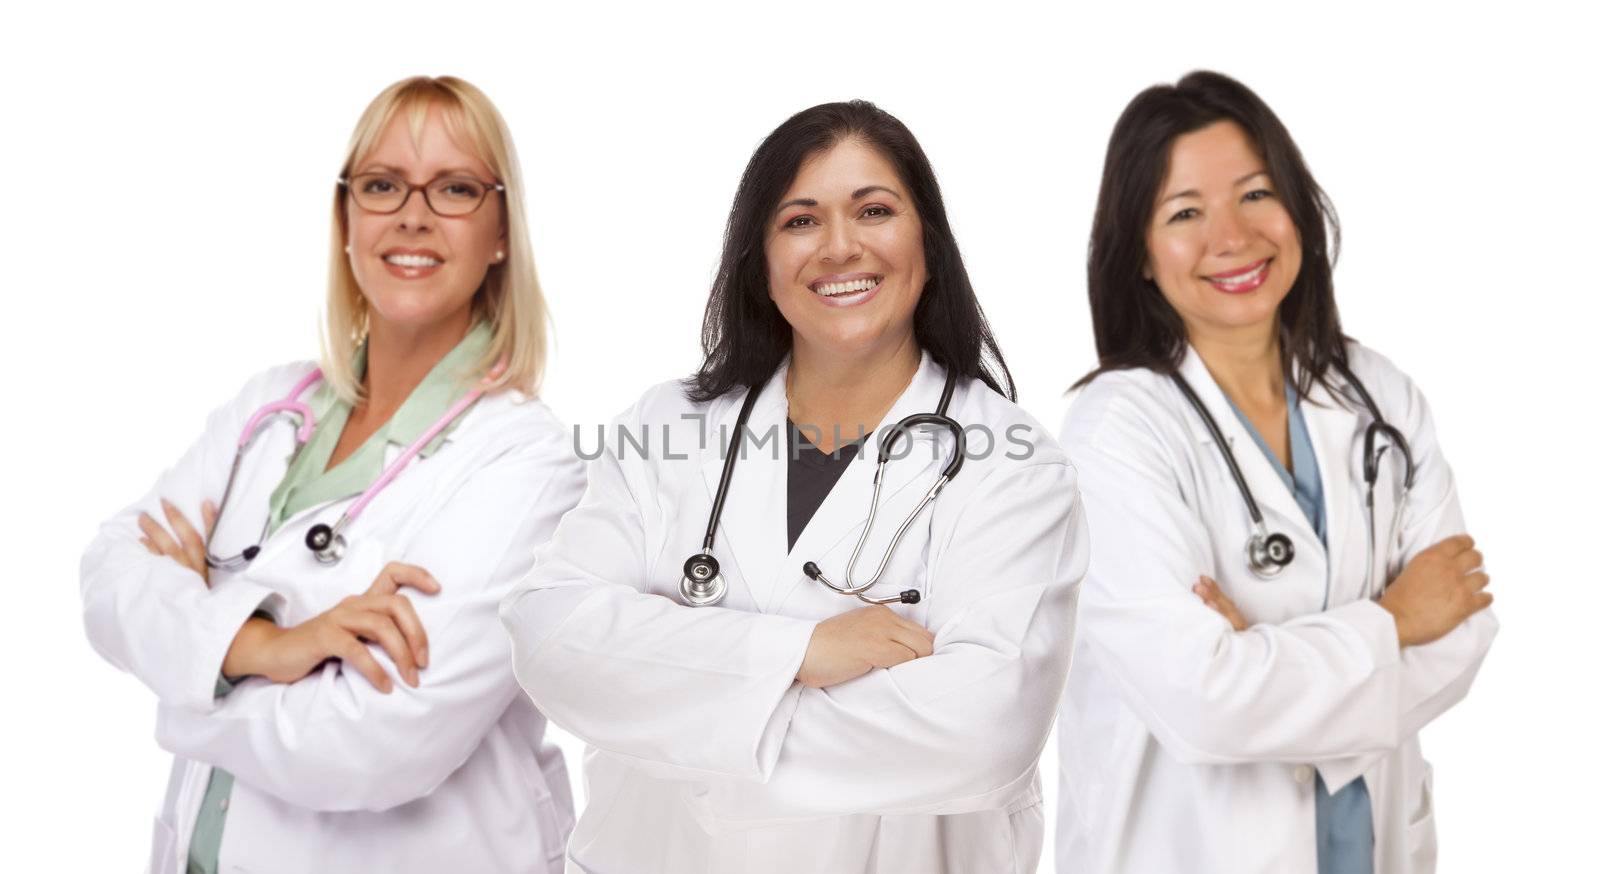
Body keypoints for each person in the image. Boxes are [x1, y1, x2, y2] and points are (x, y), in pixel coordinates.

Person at [500, 100, 1086, 874]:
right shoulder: (667, 427)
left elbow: (983, 729)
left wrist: (678, 705)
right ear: (761, 260)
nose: (840, 248)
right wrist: (801, 650)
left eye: (874, 211)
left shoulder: (1011, 466)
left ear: (928, 244)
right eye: (800, 221)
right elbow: (550, 635)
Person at [80, 76, 584, 874]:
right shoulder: (271, 406)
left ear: (500, 231)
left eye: (454, 188)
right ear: (346, 218)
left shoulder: (527, 463)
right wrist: (265, 647)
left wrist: (187, 665)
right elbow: (109, 574)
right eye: (382, 185)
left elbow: (374, 743)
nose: (411, 215)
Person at [1053, 71, 1498, 874]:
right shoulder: (1116, 431)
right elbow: (1203, 701)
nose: (1231, 236)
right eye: (1185, 212)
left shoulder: (1378, 394)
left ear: (1297, 205)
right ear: (1142, 256)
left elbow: (1463, 630)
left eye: (1255, 194)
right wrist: (1391, 624)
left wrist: (1265, 656)